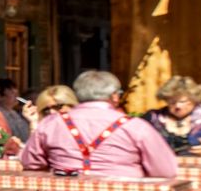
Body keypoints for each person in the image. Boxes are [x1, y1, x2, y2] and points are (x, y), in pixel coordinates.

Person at [20, 70, 178, 179]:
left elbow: (31, 163)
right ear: (115, 96)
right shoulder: (135, 126)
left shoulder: (50, 124)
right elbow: (166, 171)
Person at [0, 77, 31, 143]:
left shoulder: (14, 113)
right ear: (0, 96)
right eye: (12, 93)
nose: (17, 97)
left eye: (16, 93)